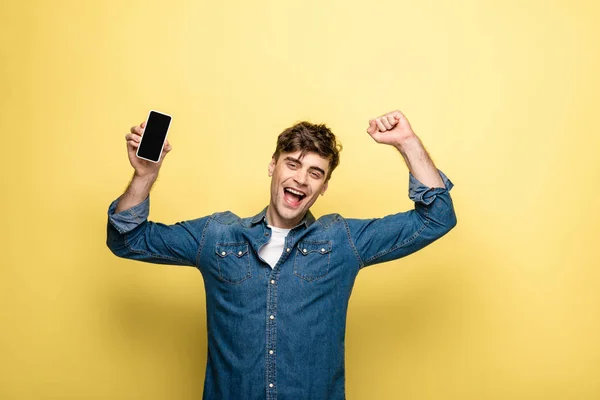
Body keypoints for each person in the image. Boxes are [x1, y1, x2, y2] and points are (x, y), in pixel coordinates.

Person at [106, 109, 457, 400]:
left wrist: (408, 144)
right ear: (273, 166)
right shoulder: (217, 236)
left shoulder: (341, 241)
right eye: (293, 164)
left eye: (315, 173)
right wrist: (144, 176)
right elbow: (127, 239)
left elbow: (436, 218)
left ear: (323, 187)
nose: (301, 179)